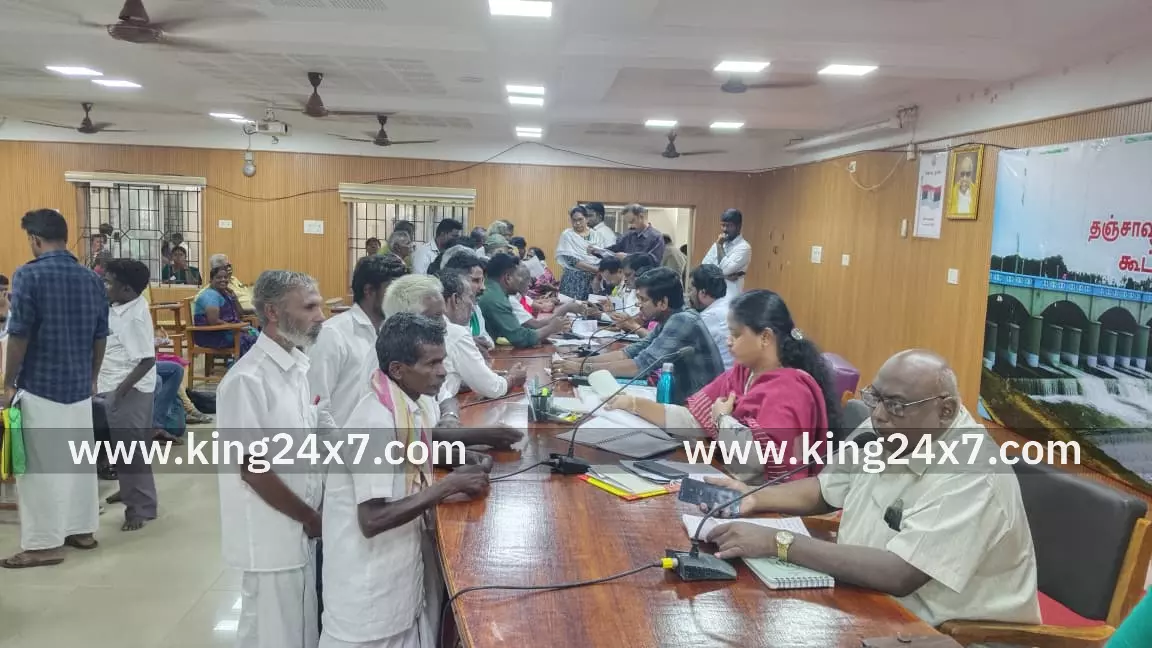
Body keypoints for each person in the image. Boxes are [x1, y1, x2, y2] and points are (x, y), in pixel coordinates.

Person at [701, 349, 1040, 628]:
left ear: (945, 410)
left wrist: (777, 542)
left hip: (940, 631)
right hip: (865, 598)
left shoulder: (972, 472)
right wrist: (751, 496)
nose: (878, 414)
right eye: (875, 397)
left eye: (895, 405)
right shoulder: (887, 428)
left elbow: (900, 574)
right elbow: (825, 490)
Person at [321, 313, 492, 648]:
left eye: (443, 360)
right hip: (367, 594)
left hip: (395, 580)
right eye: (432, 363)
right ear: (398, 369)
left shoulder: (405, 403)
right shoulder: (374, 421)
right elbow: (372, 519)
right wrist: (448, 485)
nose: (443, 371)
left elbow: (408, 454)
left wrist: (461, 457)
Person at [608, 290, 841, 483]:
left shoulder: (790, 390)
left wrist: (722, 419)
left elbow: (755, 463)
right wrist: (634, 404)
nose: (728, 341)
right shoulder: (741, 373)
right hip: (730, 479)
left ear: (765, 337)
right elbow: (695, 420)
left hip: (768, 501)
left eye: (736, 335)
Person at [217, 270, 327, 648]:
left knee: (299, 629)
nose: (320, 316)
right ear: (273, 312)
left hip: (299, 528)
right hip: (271, 536)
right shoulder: (247, 381)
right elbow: (254, 470)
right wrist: (309, 516)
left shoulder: (299, 367)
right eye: (309, 307)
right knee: (273, 633)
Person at [1, 208, 108, 568]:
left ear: (34, 239)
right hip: (79, 387)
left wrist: (8, 383)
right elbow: (100, 336)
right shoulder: (91, 279)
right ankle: (81, 530)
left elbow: (19, 335)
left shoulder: (28, 275)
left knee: (40, 471)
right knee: (78, 462)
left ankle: (43, 545)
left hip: (41, 386)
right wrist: (92, 377)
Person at [382, 274, 524, 450]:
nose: (444, 325)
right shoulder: (386, 370)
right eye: (435, 317)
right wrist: (471, 439)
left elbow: (445, 398)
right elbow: (401, 448)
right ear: (404, 322)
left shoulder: (418, 361)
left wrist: (450, 417)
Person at [553, 267, 724, 402]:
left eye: (643, 299)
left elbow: (639, 367)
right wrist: (576, 362)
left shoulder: (682, 321)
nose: (638, 305)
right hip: (685, 401)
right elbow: (628, 353)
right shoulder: (671, 317)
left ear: (663, 302)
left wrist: (581, 369)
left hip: (700, 410)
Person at [309, 254, 408, 430]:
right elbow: (316, 406)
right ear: (369, 291)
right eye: (394, 291)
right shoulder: (333, 334)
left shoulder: (393, 332)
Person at [97, 259, 159, 531]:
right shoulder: (120, 306)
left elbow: (147, 360)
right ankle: (129, 489)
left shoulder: (133, 317)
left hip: (128, 389)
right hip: (115, 385)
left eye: (108, 282)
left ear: (126, 289)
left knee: (130, 452)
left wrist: (119, 394)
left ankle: (140, 509)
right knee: (124, 448)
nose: (104, 286)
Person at [438, 267, 526, 400]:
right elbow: (493, 388)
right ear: (455, 299)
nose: (473, 306)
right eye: (470, 298)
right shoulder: (455, 333)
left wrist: (485, 376)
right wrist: (512, 378)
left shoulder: (441, 326)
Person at [478, 253, 572, 348]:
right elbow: (519, 337)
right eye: (518, 275)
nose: (521, 280)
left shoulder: (494, 292)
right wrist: (551, 328)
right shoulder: (496, 299)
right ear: (508, 278)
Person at [193, 264, 259, 357]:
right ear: (211, 280)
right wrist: (237, 328)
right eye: (219, 277)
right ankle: (242, 364)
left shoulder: (224, 293)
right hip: (212, 335)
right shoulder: (211, 296)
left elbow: (239, 313)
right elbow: (214, 322)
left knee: (259, 337)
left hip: (227, 331)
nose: (223, 280)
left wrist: (234, 297)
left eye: (225, 277)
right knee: (251, 340)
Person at [443, 250, 494, 352]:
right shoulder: (444, 310)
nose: (483, 287)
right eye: (475, 280)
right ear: (457, 281)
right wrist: (468, 342)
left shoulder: (475, 307)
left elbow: (489, 342)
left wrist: (470, 342)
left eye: (482, 281)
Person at [688, 264, 734, 370]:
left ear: (703, 293)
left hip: (720, 376)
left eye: (690, 290)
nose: (689, 295)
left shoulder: (709, 317)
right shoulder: (726, 305)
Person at [701, 208, 752, 296]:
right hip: (712, 293)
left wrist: (720, 246)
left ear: (739, 226)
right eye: (723, 225)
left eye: (729, 226)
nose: (724, 229)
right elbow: (704, 266)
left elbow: (725, 270)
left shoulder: (744, 247)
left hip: (730, 294)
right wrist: (724, 276)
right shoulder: (719, 243)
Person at [592, 203, 663, 264]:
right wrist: (598, 251)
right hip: (625, 274)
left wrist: (628, 257)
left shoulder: (656, 237)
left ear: (641, 216)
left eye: (632, 221)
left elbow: (654, 260)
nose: (630, 226)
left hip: (645, 275)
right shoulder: (628, 235)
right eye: (628, 223)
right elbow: (614, 249)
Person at [556, 205, 602, 301]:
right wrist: (597, 270)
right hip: (572, 280)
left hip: (592, 281)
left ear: (587, 219)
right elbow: (572, 261)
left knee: (589, 307)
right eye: (574, 220)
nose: (577, 223)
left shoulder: (596, 235)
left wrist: (598, 274)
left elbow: (602, 256)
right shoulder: (567, 235)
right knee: (570, 307)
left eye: (580, 219)